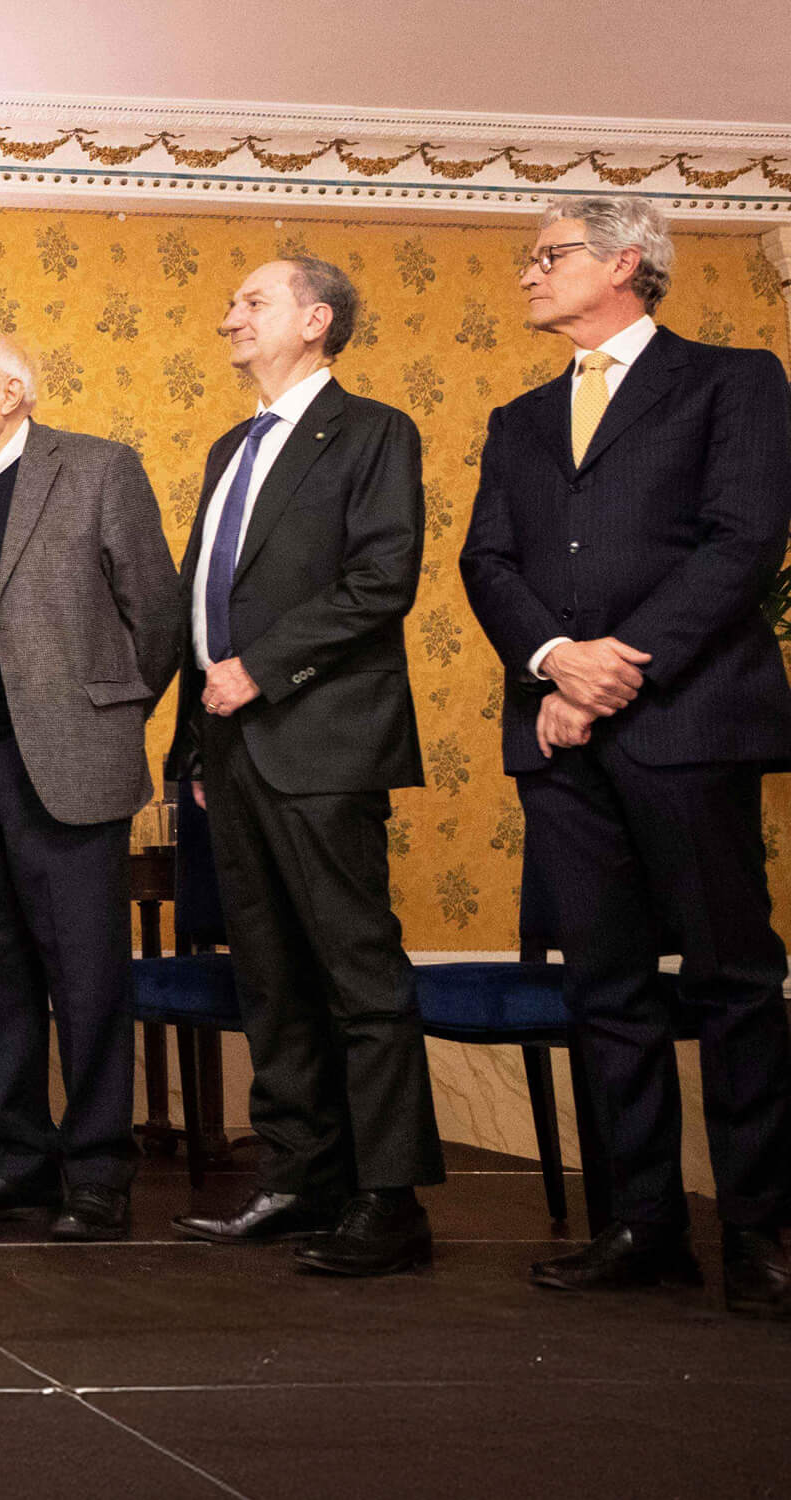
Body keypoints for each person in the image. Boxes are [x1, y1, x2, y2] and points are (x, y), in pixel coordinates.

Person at [459, 197, 791, 1317]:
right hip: (560, 737)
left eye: (547, 255)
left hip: (688, 725)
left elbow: (743, 540)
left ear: (627, 263)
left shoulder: (732, 381)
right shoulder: (518, 419)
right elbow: (488, 561)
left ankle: (759, 1233)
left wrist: (615, 670)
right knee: (605, 987)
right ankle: (644, 1226)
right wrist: (555, 664)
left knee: (732, 980)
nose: (528, 273)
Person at [166, 257, 445, 1276]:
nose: (229, 317)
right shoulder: (229, 447)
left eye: (253, 302)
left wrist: (262, 670)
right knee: (270, 976)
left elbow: (382, 579)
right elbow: (207, 599)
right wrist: (193, 743)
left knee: (356, 973)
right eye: (232, 302)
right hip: (231, 748)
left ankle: (389, 1200)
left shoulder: (373, 432)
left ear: (317, 320)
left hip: (324, 739)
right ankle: (298, 1178)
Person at [0, 333, 181, 1241]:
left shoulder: (97, 469)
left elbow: (158, 617)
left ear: (12, 393)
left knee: (87, 976)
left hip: (62, 767)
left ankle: (97, 1173)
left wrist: (103, 720)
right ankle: (17, 1161)